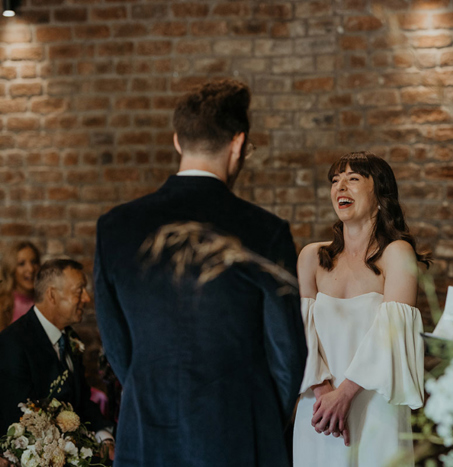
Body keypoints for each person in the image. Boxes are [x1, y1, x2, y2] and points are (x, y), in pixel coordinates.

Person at [93, 79, 307, 467]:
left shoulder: (115, 228)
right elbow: (288, 351)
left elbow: (117, 346)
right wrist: (260, 419)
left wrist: (152, 396)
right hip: (240, 433)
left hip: (147, 436)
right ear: (238, 143)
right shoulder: (265, 231)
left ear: (177, 140)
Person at [293, 152, 429, 466]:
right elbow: (302, 335)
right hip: (319, 409)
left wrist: (345, 395)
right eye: (335, 180)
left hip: (374, 404)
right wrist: (325, 393)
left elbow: (392, 337)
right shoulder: (312, 257)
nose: (340, 187)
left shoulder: (397, 254)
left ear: (380, 195)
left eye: (353, 179)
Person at [0, 259, 114, 445]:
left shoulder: (70, 338)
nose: (86, 298)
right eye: (79, 291)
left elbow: (82, 400)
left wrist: (104, 436)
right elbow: (16, 421)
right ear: (52, 295)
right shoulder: (13, 343)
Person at [0, 241, 41, 331]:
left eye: (34, 262)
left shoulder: (46, 302)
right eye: (21, 264)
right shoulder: (3, 305)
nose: (30, 269)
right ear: (11, 268)